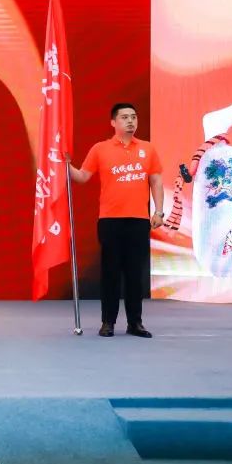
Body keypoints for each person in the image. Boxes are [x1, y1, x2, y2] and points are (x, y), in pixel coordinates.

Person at [70, 102, 163, 338]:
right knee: (110, 273)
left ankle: (135, 323)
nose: (130, 121)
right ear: (113, 122)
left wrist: (159, 212)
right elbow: (82, 176)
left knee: (135, 274)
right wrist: (64, 165)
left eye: (134, 117)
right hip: (110, 220)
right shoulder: (100, 149)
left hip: (139, 220)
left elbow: (156, 181)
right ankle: (108, 322)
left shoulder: (147, 149)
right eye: (124, 117)